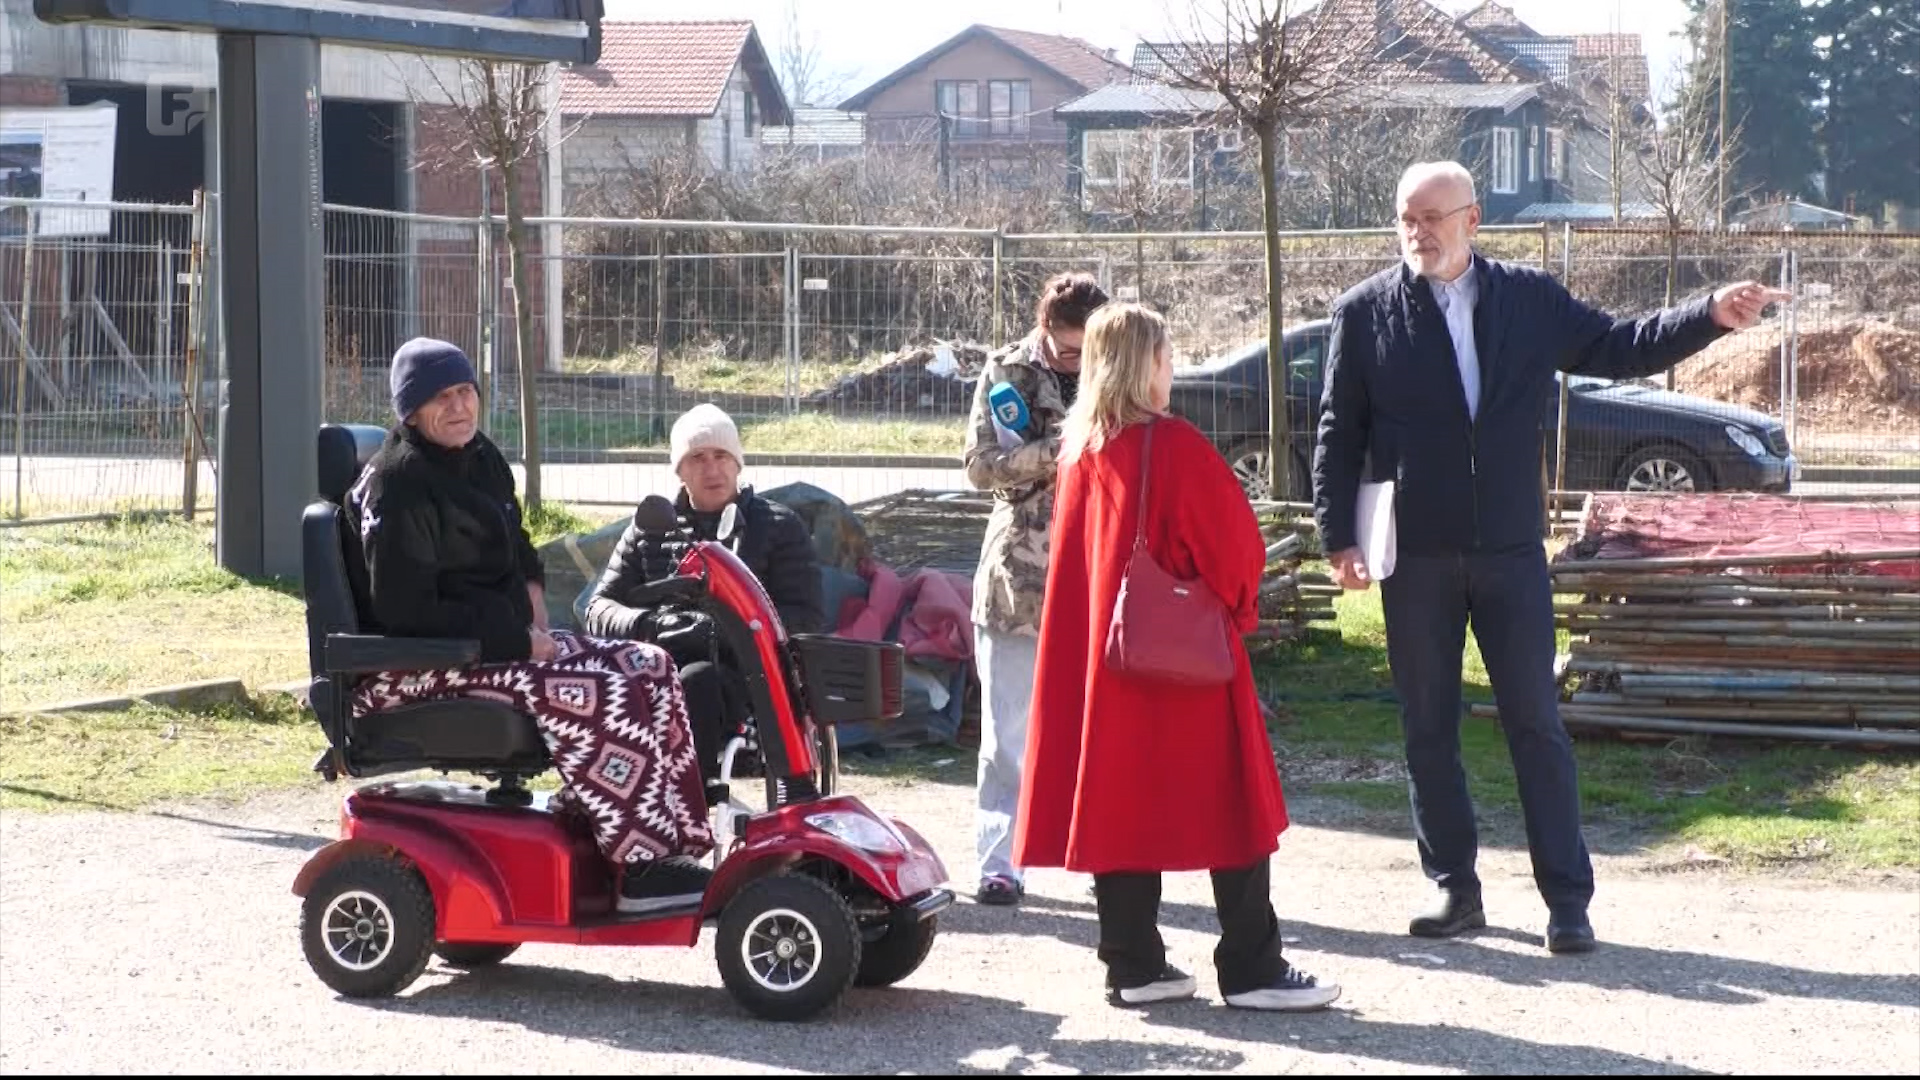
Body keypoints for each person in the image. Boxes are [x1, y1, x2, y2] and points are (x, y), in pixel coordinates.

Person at [1311, 161, 1790, 953]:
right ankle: (1453, 890)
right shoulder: (1363, 313)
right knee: (1427, 727)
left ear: (1473, 220)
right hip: (1415, 554)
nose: (1417, 233)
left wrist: (1709, 314)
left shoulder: (1527, 298)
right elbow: (1339, 431)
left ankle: (1567, 901)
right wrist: (1338, 537)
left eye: (1432, 218)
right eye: (1406, 218)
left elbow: (1619, 345)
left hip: (1508, 548)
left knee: (1537, 723)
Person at [1015, 302, 1341, 1013]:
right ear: (1147, 364)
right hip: (1182, 666)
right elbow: (1236, 553)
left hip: (1104, 668)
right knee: (1234, 802)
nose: (1173, 367)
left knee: (1117, 808)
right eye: (1166, 354)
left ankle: (1134, 966)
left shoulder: (1080, 453)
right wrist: (1238, 612)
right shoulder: (1177, 446)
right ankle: (1252, 968)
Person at [343, 338, 714, 915]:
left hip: (495, 649)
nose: (461, 406)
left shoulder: (480, 456)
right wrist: (517, 640)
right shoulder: (399, 484)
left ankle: (676, 845)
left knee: (649, 664)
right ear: (410, 410)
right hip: (421, 666)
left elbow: (514, 545)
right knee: (604, 692)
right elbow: (404, 611)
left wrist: (534, 597)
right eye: (442, 397)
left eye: (466, 391)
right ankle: (638, 870)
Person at [962, 271, 1109, 907]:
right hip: (1016, 581)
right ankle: (1001, 861)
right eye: (1066, 350)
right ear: (1044, 328)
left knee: (1101, 733)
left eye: (1086, 350)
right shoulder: (1006, 370)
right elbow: (979, 465)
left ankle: (1111, 861)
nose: (1075, 362)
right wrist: (1061, 450)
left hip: (1098, 576)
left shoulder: (1120, 367)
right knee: (1007, 736)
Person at [582, 403, 824, 781]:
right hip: (655, 664)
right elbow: (598, 608)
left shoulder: (777, 526)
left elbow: (807, 616)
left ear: (738, 463)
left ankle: (690, 799)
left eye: (721, 455)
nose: (712, 469)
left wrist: (724, 631)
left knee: (696, 679)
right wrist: (650, 625)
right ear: (679, 470)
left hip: (749, 675)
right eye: (697, 458)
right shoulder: (649, 529)